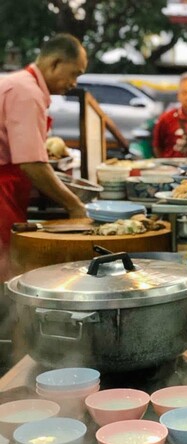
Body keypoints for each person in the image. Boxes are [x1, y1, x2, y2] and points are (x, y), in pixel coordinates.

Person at [0, 33, 88, 278]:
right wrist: (74, 205)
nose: (74, 83)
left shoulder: (21, 84)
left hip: (9, 188)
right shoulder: (26, 92)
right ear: (55, 63)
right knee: (5, 274)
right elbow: (31, 163)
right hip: (2, 190)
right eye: (74, 73)